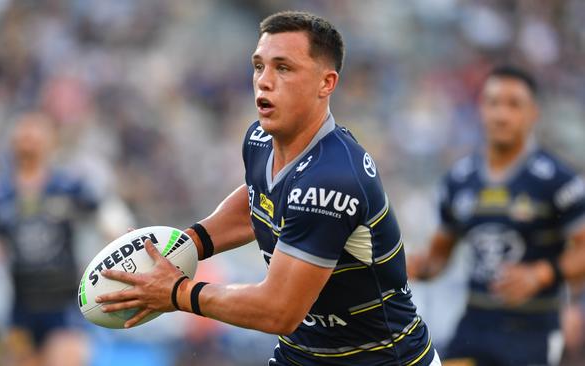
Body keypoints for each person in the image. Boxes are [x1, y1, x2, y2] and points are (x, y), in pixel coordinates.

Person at [97, 11, 440, 366]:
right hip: (301, 356)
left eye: (284, 68)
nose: (264, 80)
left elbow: (279, 311)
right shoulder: (260, 140)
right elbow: (255, 202)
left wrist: (178, 292)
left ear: (326, 83)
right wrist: (186, 245)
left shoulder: (332, 179)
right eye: (259, 66)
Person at [407, 65, 585, 366]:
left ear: (534, 113)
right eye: (493, 102)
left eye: (514, 104)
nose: (501, 114)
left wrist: (541, 274)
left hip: (533, 330)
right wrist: (411, 266)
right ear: (481, 108)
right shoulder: (460, 180)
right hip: (474, 326)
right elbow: (438, 258)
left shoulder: (557, 180)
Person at [0, 112, 99, 365]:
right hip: (21, 303)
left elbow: (102, 212)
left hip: (63, 301)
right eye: (23, 135)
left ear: (50, 141)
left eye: (36, 134)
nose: (29, 141)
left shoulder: (68, 185)